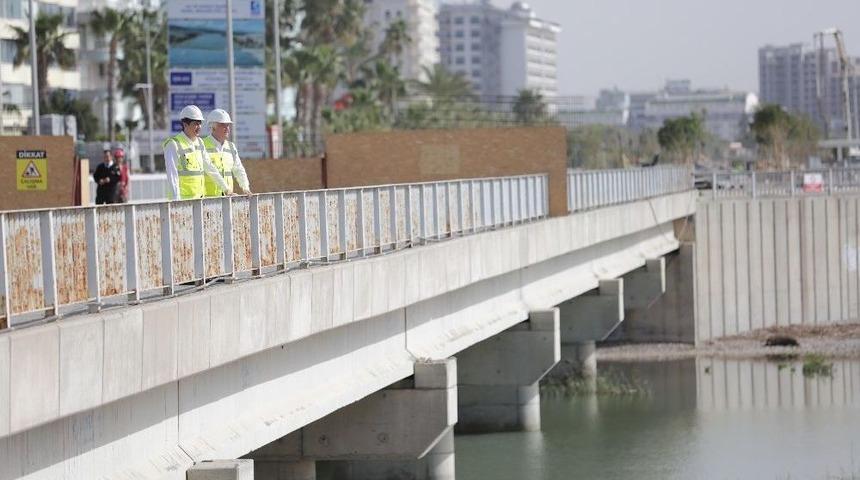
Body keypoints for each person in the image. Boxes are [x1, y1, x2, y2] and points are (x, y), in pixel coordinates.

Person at [162, 105, 231, 200]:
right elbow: (172, 176)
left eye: (200, 123)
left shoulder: (200, 143)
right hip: (183, 203)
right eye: (196, 124)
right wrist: (176, 203)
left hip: (199, 202)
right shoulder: (173, 144)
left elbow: (210, 168)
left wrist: (226, 189)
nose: (199, 127)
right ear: (185, 124)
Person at [202, 109, 252, 197]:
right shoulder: (202, 145)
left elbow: (239, 169)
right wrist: (227, 190)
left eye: (228, 125)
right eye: (223, 125)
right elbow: (210, 171)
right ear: (213, 127)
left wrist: (246, 188)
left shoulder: (231, 147)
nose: (227, 129)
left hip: (227, 199)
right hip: (208, 199)